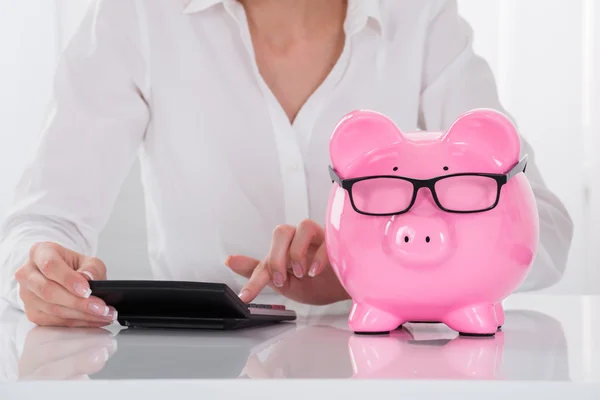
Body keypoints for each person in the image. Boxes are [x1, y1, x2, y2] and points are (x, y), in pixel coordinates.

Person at [0, 0, 573, 327]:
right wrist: (38, 272)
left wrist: (369, 267)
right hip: (201, 372)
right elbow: (41, 222)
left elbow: (542, 232)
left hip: (398, 367)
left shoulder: (420, 19)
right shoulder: (137, 17)